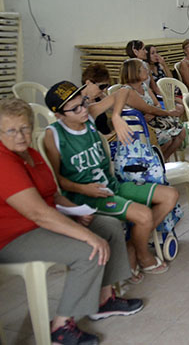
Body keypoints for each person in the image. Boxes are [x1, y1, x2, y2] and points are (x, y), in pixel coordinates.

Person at [0, 98, 144, 345]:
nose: (20, 135)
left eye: (24, 128)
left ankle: (104, 299)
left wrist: (75, 211)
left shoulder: (30, 154)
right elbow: (37, 213)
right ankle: (61, 327)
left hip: (42, 221)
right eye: (11, 130)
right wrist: (86, 234)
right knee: (89, 248)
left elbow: (52, 195)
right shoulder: (4, 162)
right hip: (15, 235)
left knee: (108, 226)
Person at [43, 80, 179, 280]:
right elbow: (57, 181)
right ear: (59, 115)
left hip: (111, 185)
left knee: (170, 195)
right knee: (143, 216)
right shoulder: (53, 135)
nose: (82, 109)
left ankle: (132, 247)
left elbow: (123, 91)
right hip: (88, 197)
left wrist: (116, 115)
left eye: (83, 102)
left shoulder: (88, 114)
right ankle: (143, 256)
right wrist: (84, 189)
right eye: (75, 108)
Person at [120, 58, 187, 160]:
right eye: (144, 68)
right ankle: (157, 161)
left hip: (154, 119)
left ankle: (162, 160)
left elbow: (156, 104)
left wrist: (156, 112)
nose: (147, 71)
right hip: (141, 125)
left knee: (181, 132)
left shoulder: (143, 86)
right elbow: (149, 109)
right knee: (167, 138)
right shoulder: (128, 91)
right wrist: (168, 113)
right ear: (135, 72)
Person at [81, 63, 113, 135]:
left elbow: (118, 108)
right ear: (88, 83)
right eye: (102, 86)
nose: (104, 90)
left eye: (106, 86)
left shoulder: (99, 96)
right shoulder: (79, 104)